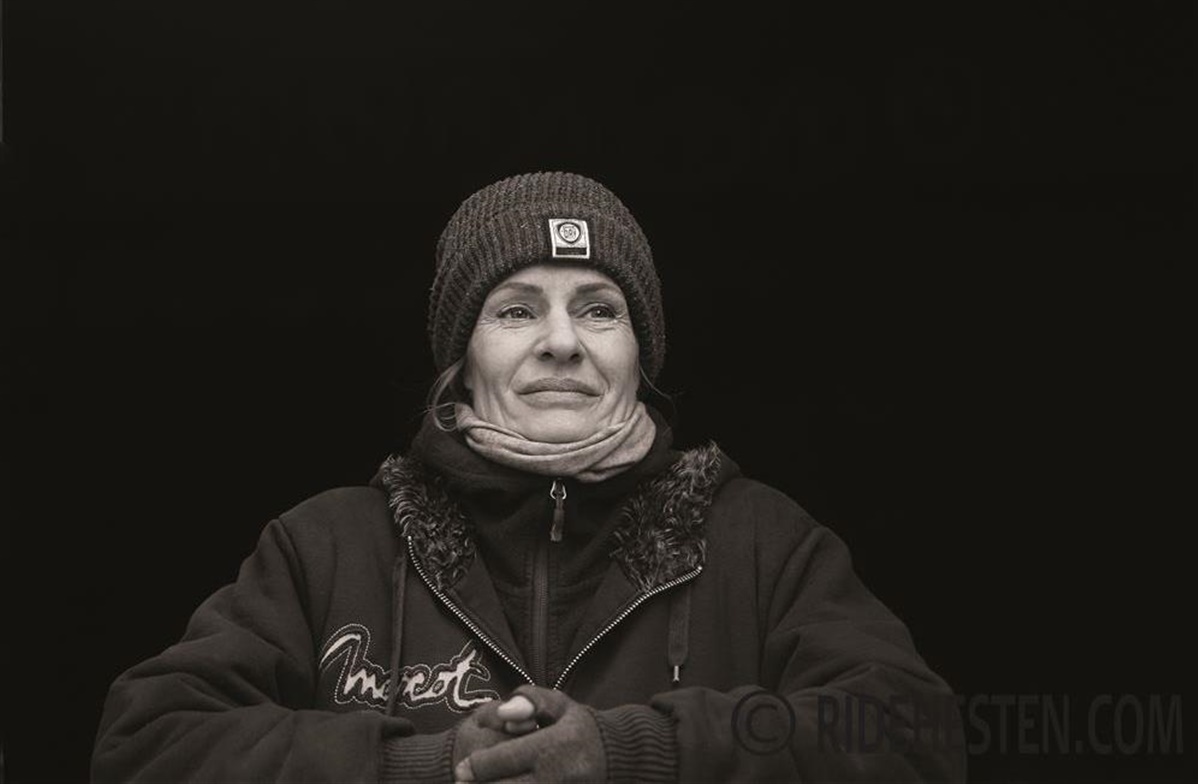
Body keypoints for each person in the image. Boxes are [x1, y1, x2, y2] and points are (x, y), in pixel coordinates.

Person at [92, 171, 965, 782]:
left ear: (639, 357)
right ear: (462, 363)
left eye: (599, 310)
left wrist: (631, 756)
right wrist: (425, 768)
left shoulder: (761, 541)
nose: (562, 342)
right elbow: (147, 745)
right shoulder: (324, 548)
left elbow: (913, 732)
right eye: (516, 310)